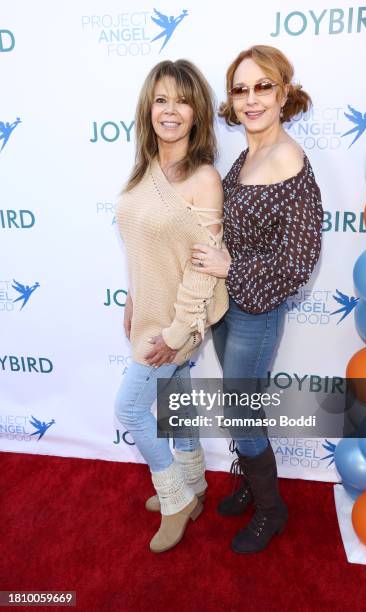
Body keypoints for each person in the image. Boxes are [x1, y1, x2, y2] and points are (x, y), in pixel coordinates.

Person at [191, 45, 323, 553]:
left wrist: (232, 267)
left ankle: (273, 510)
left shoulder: (288, 158)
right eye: (241, 89)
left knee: (241, 412)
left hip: (257, 310)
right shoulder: (249, 153)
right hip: (229, 305)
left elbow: (299, 259)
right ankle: (250, 480)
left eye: (262, 87)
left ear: (284, 91)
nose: (251, 99)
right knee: (241, 405)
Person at [115, 59, 229, 553]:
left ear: (196, 111)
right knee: (176, 407)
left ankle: (176, 497)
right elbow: (143, 245)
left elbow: (203, 269)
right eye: (161, 99)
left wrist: (179, 334)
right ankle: (195, 483)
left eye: (181, 100)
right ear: (149, 107)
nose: (170, 109)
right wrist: (134, 300)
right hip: (150, 313)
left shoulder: (202, 178)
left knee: (132, 410)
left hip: (177, 324)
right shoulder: (145, 167)